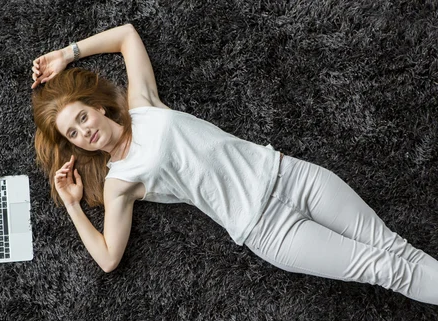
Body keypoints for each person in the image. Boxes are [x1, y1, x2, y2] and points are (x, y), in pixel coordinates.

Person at [30, 24, 438, 305]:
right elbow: (107, 258)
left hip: (290, 175)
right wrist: (72, 204)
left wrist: (67, 54)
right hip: (269, 229)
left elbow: (126, 36)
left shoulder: (143, 105)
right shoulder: (120, 183)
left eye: (82, 118)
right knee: (385, 270)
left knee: (395, 248)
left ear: (99, 108)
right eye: (73, 134)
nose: (84, 132)